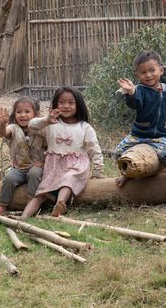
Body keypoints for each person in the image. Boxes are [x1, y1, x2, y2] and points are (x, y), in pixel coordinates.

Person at [20, 87, 104, 218]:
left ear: (78, 105)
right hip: (54, 168)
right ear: (56, 104)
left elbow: (95, 149)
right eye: (62, 102)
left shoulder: (84, 127)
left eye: (71, 103)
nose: (66, 106)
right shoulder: (51, 124)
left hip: (75, 166)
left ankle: (60, 204)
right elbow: (31, 125)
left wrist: (98, 171)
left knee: (69, 179)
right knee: (40, 194)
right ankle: (22, 219)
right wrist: (46, 120)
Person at [114, 50, 166, 187]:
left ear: (161, 70)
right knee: (118, 152)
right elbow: (135, 104)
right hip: (138, 134)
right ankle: (126, 174)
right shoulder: (139, 90)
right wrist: (131, 93)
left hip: (160, 135)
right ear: (138, 75)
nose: (148, 75)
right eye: (143, 72)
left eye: (152, 70)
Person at [0, 97, 46, 216]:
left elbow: (50, 147)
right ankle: (3, 205)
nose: (22, 115)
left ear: (36, 114)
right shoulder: (14, 128)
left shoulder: (41, 129)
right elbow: (4, 133)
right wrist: (3, 125)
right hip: (19, 168)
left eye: (27, 112)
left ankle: (31, 203)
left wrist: (44, 163)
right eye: (19, 112)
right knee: (9, 178)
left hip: (37, 166)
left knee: (34, 174)